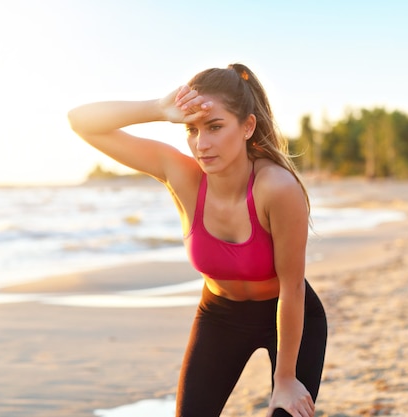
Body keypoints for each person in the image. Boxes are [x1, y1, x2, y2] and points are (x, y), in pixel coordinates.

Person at [68, 63, 327, 417]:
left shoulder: (277, 188)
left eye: (215, 127)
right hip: (219, 317)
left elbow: (292, 288)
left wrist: (285, 379)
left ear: (247, 126)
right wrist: (158, 109)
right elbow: (80, 121)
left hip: (288, 315)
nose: (201, 145)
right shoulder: (181, 176)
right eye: (192, 129)